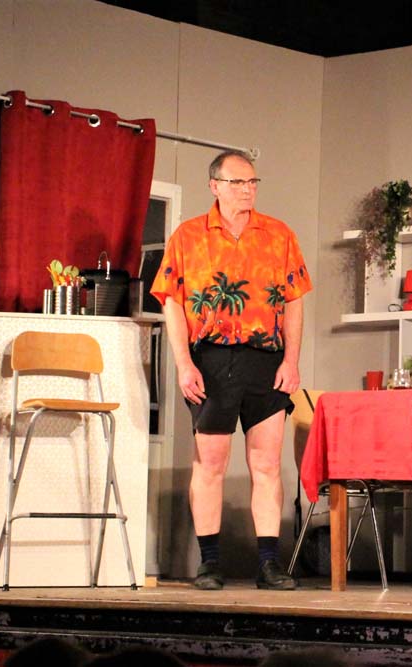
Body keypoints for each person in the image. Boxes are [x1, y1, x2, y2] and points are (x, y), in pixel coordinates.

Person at [151, 150, 312, 591]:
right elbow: (171, 303)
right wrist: (184, 364)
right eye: (238, 182)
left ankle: (269, 564)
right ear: (215, 186)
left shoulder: (278, 235)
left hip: (265, 359)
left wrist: (291, 360)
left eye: (253, 182)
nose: (247, 190)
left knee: (266, 463)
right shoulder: (188, 236)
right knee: (210, 464)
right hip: (211, 359)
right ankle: (209, 563)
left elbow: (295, 301)